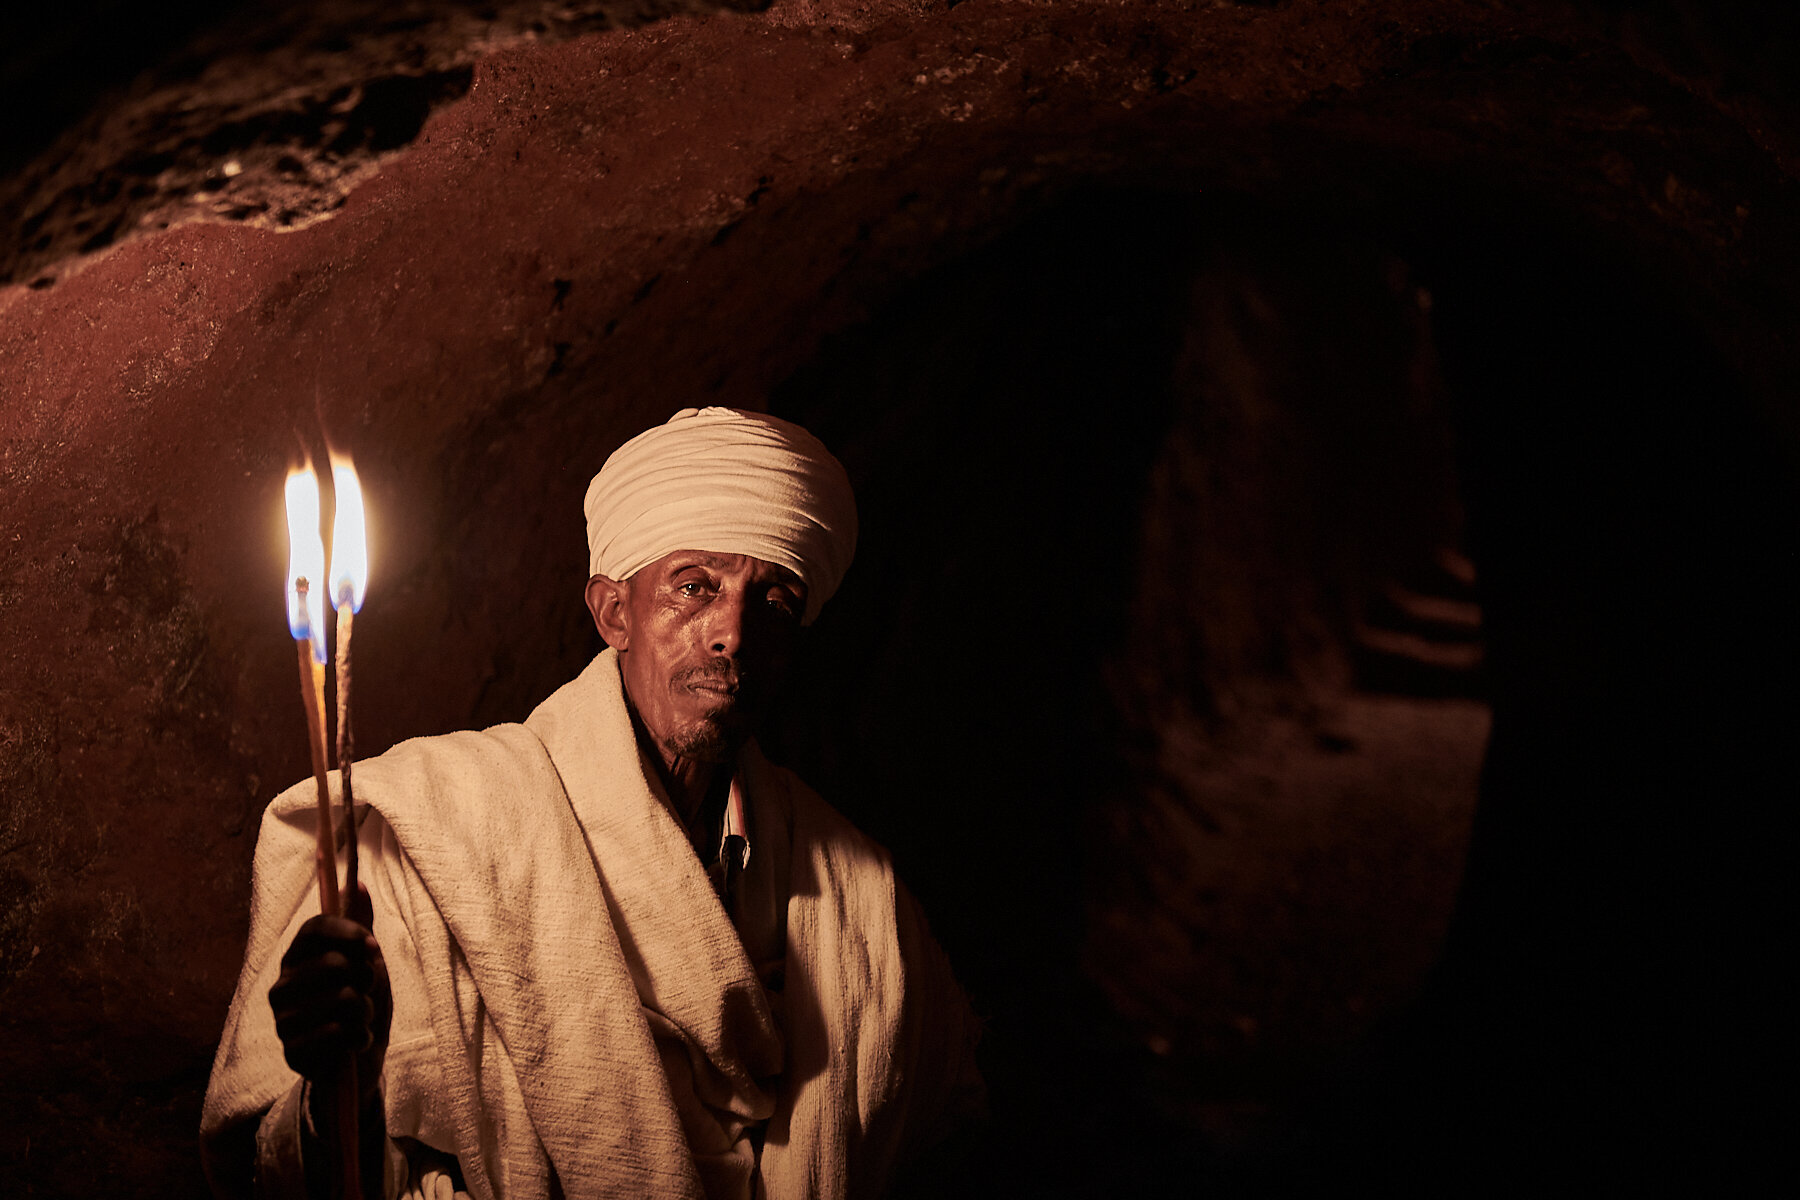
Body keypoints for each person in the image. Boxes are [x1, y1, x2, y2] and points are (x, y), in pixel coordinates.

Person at [202, 407, 983, 1200]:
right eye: (694, 586)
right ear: (615, 613)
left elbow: (954, 1115)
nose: (732, 634)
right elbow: (285, 1169)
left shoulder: (861, 900)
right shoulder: (439, 829)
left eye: (773, 601)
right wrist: (342, 1083)